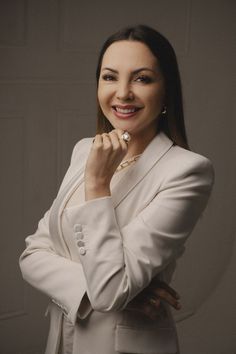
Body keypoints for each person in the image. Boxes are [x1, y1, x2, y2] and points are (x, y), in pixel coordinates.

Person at [19, 24, 214, 354]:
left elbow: (109, 293)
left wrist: (97, 184)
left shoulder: (187, 172)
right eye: (110, 77)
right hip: (61, 342)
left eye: (142, 78)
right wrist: (103, 290)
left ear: (166, 91)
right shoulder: (86, 150)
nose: (122, 92)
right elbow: (32, 255)